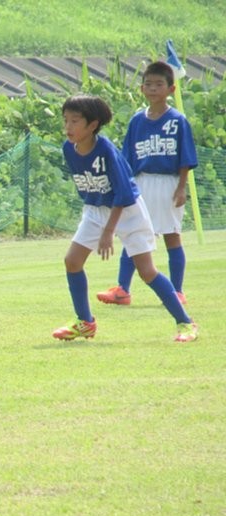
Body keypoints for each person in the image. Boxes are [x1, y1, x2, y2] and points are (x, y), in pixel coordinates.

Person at [53, 94, 198, 343]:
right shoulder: (69, 148)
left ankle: (185, 322)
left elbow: (123, 193)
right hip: (96, 209)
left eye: (75, 121)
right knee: (72, 261)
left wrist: (109, 232)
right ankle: (85, 322)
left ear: (92, 125)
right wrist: (98, 220)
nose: (68, 126)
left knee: (147, 272)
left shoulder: (107, 151)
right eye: (65, 120)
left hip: (128, 211)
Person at [97, 61, 198, 307]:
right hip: (140, 182)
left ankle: (177, 291)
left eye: (159, 84)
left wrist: (181, 187)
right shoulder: (137, 121)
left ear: (171, 89)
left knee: (171, 235)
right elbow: (127, 158)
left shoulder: (177, 120)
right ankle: (122, 289)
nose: (153, 89)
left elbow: (185, 157)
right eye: (148, 84)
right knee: (133, 234)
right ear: (142, 88)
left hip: (167, 183)